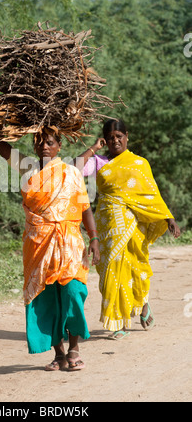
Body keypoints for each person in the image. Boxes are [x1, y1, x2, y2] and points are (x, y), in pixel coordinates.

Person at [0, 124, 100, 370]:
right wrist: (0, 117)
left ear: (59, 146)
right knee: (46, 297)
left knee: (73, 292)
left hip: (69, 243)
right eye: (40, 142)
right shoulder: (27, 167)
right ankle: (59, 353)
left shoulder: (70, 172)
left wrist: (94, 238)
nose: (44, 146)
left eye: (50, 142)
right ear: (34, 146)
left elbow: (84, 208)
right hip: (38, 244)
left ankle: (74, 347)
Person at [78, 119, 181, 340]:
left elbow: (151, 194)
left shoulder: (139, 163)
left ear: (127, 136)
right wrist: (94, 148)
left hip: (132, 226)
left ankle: (131, 313)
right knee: (108, 271)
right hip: (106, 223)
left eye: (119, 136)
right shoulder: (99, 161)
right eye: (110, 137)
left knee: (133, 267)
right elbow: (74, 169)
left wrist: (168, 217)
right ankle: (123, 316)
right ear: (105, 139)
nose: (115, 140)